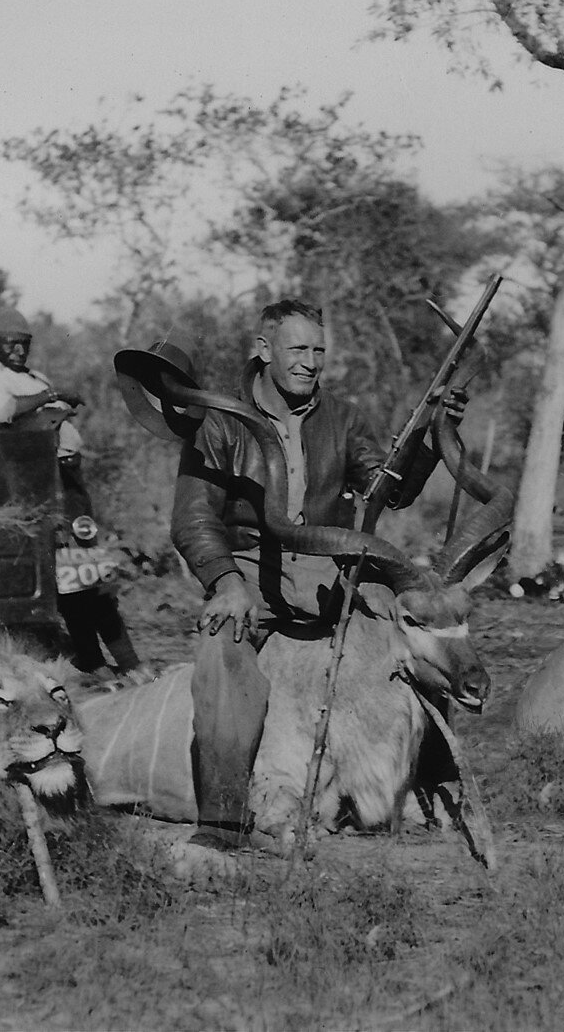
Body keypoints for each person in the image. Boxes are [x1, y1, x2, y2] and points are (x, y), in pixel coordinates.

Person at [170, 298, 457, 854]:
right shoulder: (222, 421)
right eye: (298, 349)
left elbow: (387, 489)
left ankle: (435, 778)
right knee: (224, 650)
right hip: (253, 568)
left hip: (331, 568)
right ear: (264, 350)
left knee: (420, 618)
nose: (310, 362)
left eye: (318, 351)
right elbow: (193, 517)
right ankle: (224, 819)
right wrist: (225, 582)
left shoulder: (343, 417)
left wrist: (434, 431)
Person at [0, 308, 144, 683]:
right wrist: (51, 397)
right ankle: (99, 662)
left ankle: (126, 662)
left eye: (24, 344)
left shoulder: (29, 376)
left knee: (89, 573)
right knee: (75, 576)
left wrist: (57, 406)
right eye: (11, 344)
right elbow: (3, 412)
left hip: (68, 478)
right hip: (42, 480)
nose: (19, 351)